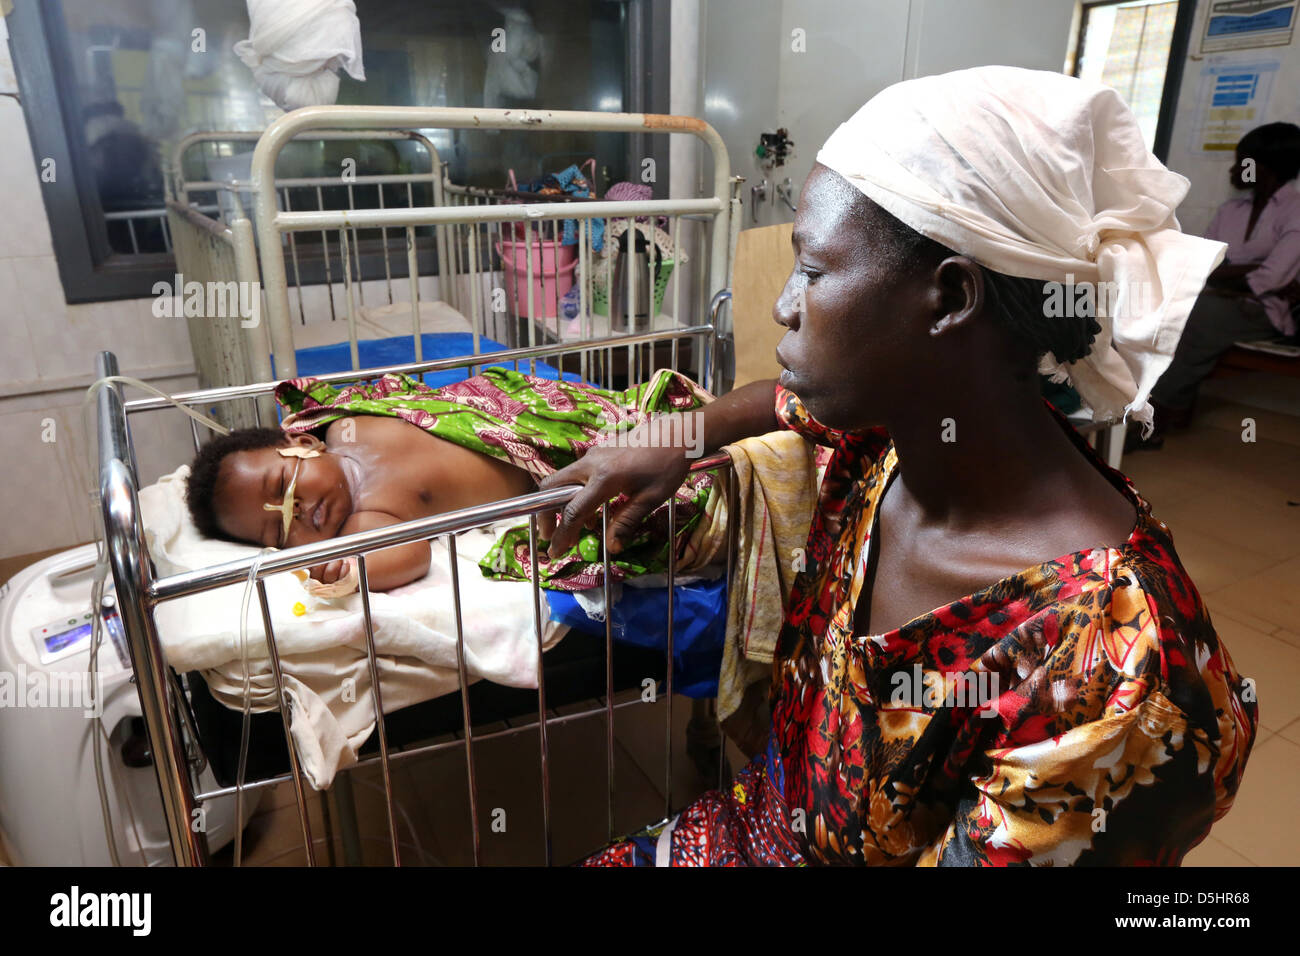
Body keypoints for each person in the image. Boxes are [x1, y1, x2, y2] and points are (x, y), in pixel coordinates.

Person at [544, 66, 1258, 866]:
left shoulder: (1110, 674)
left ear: (951, 298)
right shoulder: (892, 437)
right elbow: (775, 403)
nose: (783, 305)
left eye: (813, 272)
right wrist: (674, 438)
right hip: (757, 824)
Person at [184, 366, 717, 591]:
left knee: (662, 430)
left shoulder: (345, 419)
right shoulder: (367, 517)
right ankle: (716, 446)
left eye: (281, 490)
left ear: (301, 442)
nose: (296, 512)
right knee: (652, 473)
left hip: (524, 417)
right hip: (556, 461)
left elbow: (416, 396)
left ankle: (713, 431)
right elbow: (409, 555)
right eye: (279, 532)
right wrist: (348, 569)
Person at [1134, 122, 1300, 449]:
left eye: (1242, 162)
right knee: (1153, 305)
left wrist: (1235, 273)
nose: (1234, 170)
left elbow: (1272, 278)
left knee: (1196, 316)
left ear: (1264, 168)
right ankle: (1136, 401)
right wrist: (1249, 270)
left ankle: (1158, 414)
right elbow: (1201, 262)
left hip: (1267, 311)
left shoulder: (1296, 211)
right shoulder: (1231, 211)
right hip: (1220, 299)